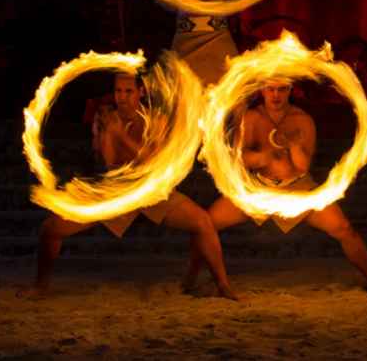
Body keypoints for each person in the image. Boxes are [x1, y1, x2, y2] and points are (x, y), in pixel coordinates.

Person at [26, 73, 237, 300]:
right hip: (116, 190)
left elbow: (152, 162)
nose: (123, 97)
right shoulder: (106, 118)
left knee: (203, 222)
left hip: (150, 189)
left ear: (141, 93)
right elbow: (106, 164)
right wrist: (105, 134)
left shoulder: (156, 120)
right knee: (51, 228)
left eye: (128, 91)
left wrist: (121, 136)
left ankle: (222, 285)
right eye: (118, 91)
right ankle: (41, 286)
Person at [184, 79, 367, 294]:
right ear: (262, 90)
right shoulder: (252, 118)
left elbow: (302, 167)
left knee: (344, 229)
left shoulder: (302, 121)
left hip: (297, 188)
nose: (276, 95)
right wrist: (263, 156)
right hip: (258, 190)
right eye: (270, 89)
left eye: (281, 89)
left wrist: (292, 145)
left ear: (290, 90)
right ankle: (190, 281)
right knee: (205, 225)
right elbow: (239, 160)